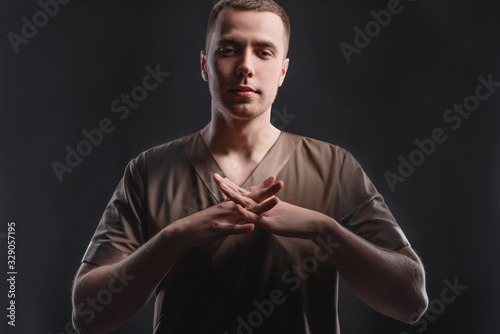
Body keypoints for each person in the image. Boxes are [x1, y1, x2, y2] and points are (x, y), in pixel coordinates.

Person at [71, 0, 428, 333]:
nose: (245, 66)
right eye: (228, 50)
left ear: (283, 71)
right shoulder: (149, 170)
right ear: (204, 65)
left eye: (263, 52)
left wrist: (325, 230)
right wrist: (174, 238)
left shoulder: (334, 167)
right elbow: (88, 315)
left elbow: (411, 303)